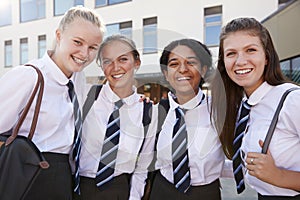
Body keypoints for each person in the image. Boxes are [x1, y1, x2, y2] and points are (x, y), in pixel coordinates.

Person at [0, 6, 105, 200]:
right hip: (28, 175)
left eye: (92, 48)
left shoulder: (77, 80)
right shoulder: (29, 76)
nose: (84, 53)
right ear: (59, 35)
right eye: (78, 42)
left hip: (64, 177)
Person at [210, 17, 300, 199]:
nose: (240, 61)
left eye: (250, 50)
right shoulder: (244, 105)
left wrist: (279, 176)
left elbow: (270, 171)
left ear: (266, 57)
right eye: (231, 53)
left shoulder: (293, 100)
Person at [78, 34, 157, 200]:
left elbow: (143, 165)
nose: (115, 67)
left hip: (119, 190)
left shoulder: (148, 111)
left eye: (123, 59)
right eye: (107, 61)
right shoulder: (86, 96)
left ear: (137, 62)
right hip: (79, 188)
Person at [149, 38, 224, 200]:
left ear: (203, 70)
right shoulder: (155, 112)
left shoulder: (219, 110)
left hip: (204, 193)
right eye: (174, 64)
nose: (183, 69)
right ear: (166, 74)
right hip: (161, 190)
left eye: (191, 62)